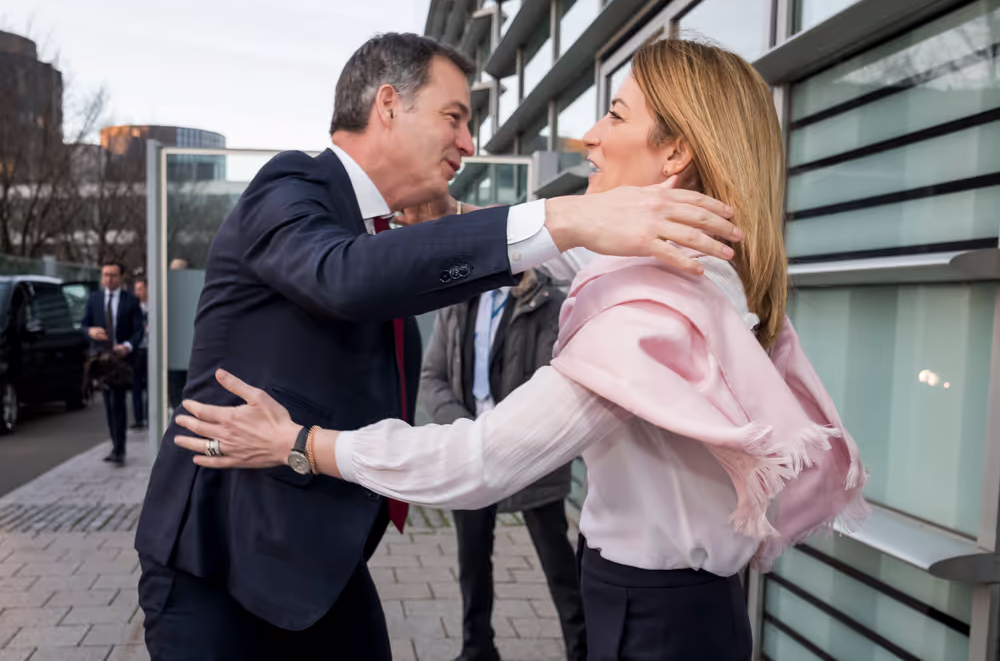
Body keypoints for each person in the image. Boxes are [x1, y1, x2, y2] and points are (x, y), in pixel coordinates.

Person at [174, 38, 869, 661]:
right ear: (388, 105)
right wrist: (479, 219)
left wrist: (300, 442)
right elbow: (363, 272)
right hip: (240, 569)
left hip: (653, 621)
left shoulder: (649, 316)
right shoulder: (689, 277)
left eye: (617, 115)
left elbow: (480, 459)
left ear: (675, 153)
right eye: (455, 116)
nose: (591, 136)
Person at [422, 268, 585, 661]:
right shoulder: (458, 302)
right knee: (472, 561)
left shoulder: (548, 304)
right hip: (471, 453)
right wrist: (467, 432)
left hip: (529, 455)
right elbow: (432, 377)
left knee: (558, 565)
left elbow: (554, 386)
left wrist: (508, 434)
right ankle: (477, 649)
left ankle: (583, 651)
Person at [81, 261, 144, 465]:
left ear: (121, 277)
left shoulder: (130, 301)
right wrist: (90, 331)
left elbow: (138, 330)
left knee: (118, 402)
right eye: (106, 275)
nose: (109, 279)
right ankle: (115, 445)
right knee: (107, 403)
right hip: (101, 358)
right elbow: (84, 325)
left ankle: (120, 448)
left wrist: (127, 346)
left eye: (113, 275)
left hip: (121, 359)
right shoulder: (94, 299)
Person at [131, 277, 149, 430]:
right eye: (136, 289)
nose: (137, 293)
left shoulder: (154, 306)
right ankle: (138, 419)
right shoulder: (134, 307)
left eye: (140, 289)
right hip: (138, 350)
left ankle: (150, 416)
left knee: (151, 385)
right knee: (136, 385)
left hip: (150, 349)